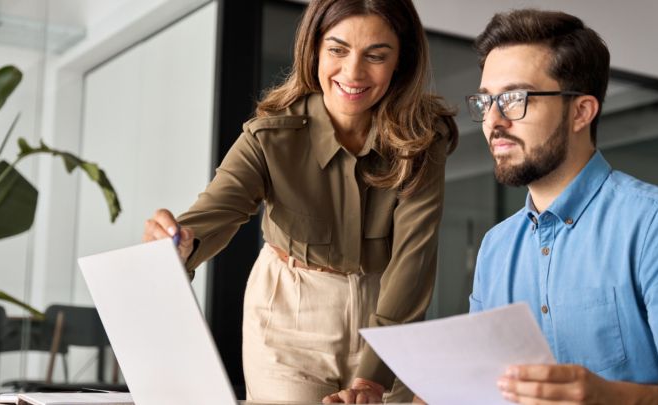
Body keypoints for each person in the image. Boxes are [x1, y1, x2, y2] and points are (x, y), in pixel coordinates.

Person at [142, 0, 457, 403]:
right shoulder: (270, 136)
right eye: (337, 50)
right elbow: (216, 212)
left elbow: (414, 258)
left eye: (376, 56)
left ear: (402, 60)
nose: (353, 73)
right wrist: (182, 242)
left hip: (389, 313)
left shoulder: (422, 140)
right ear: (314, 49)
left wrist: (373, 377)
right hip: (289, 316)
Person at [466, 9, 658, 404]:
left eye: (514, 98)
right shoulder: (495, 248)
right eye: (486, 100)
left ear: (581, 112)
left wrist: (612, 398)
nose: (493, 120)